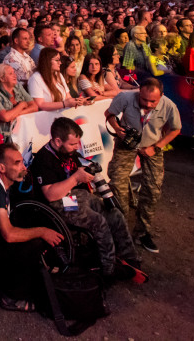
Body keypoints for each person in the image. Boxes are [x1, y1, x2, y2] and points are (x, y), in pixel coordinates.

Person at [30, 117, 145, 283]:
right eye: (72, 144)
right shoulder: (44, 159)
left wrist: (88, 173)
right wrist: (76, 177)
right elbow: (50, 195)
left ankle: (129, 258)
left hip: (79, 196)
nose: (77, 147)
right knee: (98, 221)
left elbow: (82, 170)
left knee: (115, 214)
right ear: (58, 141)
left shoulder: (70, 153)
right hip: (59, 203)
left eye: (77, 143)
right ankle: (108, 269)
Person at [0, 142, 64, 312]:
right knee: (33, 244)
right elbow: (9, 235)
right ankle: (10, 297)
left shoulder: (4, 184)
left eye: (22, 162)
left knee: (30, 228)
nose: (23, 167)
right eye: (17, 163)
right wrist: (42, 232)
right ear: (2, 168)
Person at [104, 79, 182, 254]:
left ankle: (142, 232)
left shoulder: (169, 105)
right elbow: (109, 114)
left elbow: (176, 129)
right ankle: (121, 230)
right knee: (117, 184)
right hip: (126, 145)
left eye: (153, 101)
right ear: (139, 92)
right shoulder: (125, 97)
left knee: (153, 190)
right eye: (144, 99)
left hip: (152, 146)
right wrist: (117, 129)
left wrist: (157, 147)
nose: (147, 104)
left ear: (161, 96)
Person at [0, 63, 38, 139]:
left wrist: (17, 115)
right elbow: (5, 117)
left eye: (14, 72)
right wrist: (22, 105)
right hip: (5, 136)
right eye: (10, 74)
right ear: (2, 78)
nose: (15, 75)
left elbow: (35, 107)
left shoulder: (18, 87)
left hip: (24, 131)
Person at [29, 47, 83, 111]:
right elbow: (40, 104)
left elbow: (68, 98)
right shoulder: (35, 78)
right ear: (47, 61)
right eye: (57, 60)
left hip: (63, 112)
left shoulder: (58, 75)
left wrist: (78, 101)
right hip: (47, 115)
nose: (60, 63)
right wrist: (64, 104)